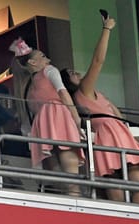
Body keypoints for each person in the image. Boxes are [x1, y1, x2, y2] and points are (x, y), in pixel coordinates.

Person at [60, 12, 139, 204]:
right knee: (118, 194)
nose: (76, 72)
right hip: (107, 138)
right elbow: (97, 61)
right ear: (68, 83)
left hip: (120, 135)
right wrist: (106, 29)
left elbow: (118, 118)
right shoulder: (82, 92)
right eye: (71, 73)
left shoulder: (97, 94)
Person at [9, 37, 85, 196]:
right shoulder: (49, 71)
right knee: (68, 158)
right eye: (43, 56)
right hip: (58, 115)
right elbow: (63, 92)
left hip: (41, 122)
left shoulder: (26, 87)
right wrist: (76, 119)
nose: (48, 59)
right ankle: (75, 198)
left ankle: (63, 200)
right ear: (33, 63)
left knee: (54, 167)